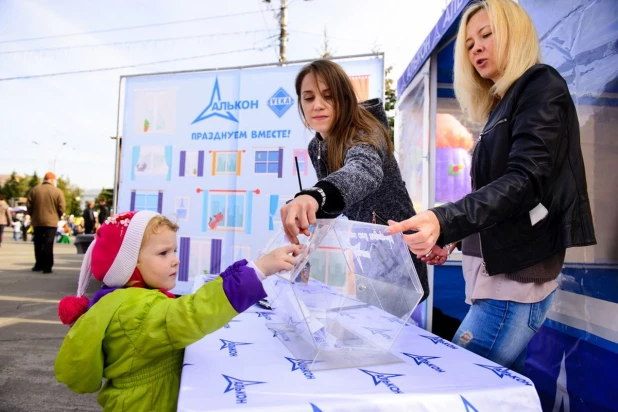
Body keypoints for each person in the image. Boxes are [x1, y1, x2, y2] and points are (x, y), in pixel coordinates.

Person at [387, 0, 596, 372]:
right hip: (495, 276)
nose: (476, 48)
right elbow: (497, 194)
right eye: (468, 44)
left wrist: (443, 219)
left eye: (486, 35)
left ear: (515, 35)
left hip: (512, 281)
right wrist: (451, 236)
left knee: (453, 385)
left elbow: (524, 181)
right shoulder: (503, 103)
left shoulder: (540, 84)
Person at [55, 210, 301, 411]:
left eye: (174, 251)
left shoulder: (128, 299)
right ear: (128, 265)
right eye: (163, 253)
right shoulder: (135, 311)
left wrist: (240, 273)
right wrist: (257, 271)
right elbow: (191, 314)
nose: (175, 260)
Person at [279, 59, 429, 301]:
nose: (318, 105)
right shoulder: (316, 146)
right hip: (363, 254)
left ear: (345, 98)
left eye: (328, 96)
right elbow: (335, 202)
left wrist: (315, 195)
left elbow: (363, 171)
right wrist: (303, 212)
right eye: (308, 98)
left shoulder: (365, 132)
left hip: (399, 257)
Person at [27, 172, 65, 273]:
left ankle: (38, 265)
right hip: (51, 222)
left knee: (38, 243)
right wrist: (58, 216)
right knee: (48, 243)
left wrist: (33, 215)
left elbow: (29, 206)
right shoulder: (57, 191)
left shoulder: (34, 190)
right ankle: (47, 267)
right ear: (52, 180)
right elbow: (61, 207)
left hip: (37, 221)